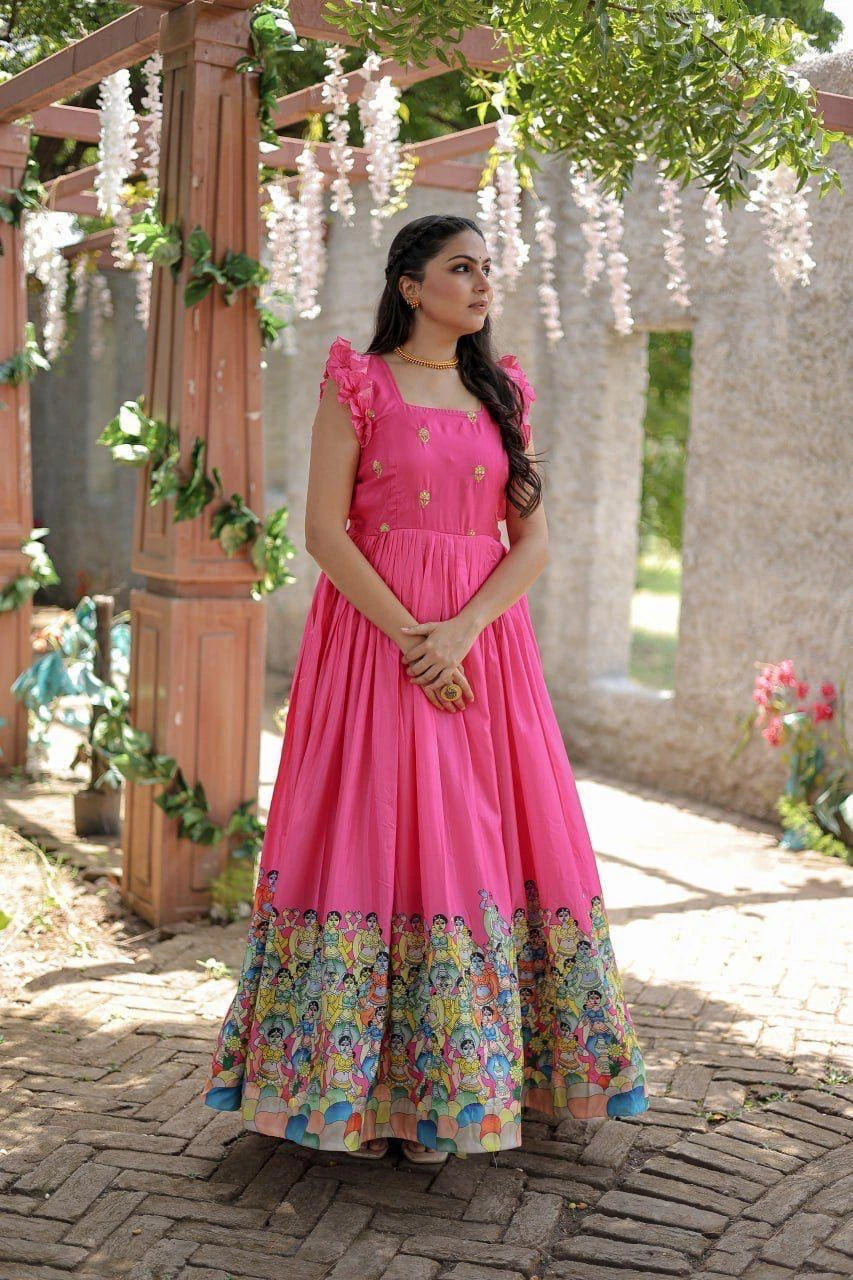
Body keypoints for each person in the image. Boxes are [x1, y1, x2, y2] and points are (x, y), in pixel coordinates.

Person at [200, 213, 649, 1165]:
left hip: (481, 649)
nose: (482, 283)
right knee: (380, 828)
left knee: (479, 833)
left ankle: (466, 1086)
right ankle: (360, 1093)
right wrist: (415, 642)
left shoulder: (502, 392)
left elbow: (529, 542)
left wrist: (462, 633)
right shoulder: (356, 384)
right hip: (375, 647)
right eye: (461, 267)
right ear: (410, 285)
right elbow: (324, 531)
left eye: (488, 267)